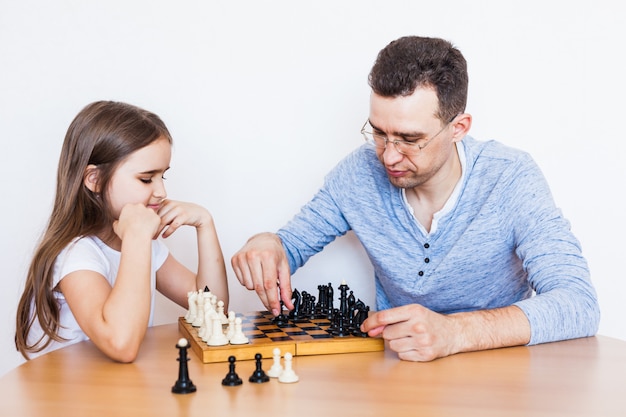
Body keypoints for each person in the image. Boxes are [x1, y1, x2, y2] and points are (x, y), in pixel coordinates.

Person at [231, 36, 600, 362]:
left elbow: (579, 303)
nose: (388, 156)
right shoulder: (358, 174)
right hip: (398, 375)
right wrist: (268, 242)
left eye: (409, 139)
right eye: (378, 133)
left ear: (458, 127)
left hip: (499, 377)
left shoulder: (510, 177)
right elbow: (288, 246)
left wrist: (455, 333)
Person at [15, 101, 229, 362]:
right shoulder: (76, 254)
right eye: (146, 178)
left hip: (114, 393)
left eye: (164, 176)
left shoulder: (143, 245)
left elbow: (213, 309)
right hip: (68, 399)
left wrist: (205, 224)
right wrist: (138, 237)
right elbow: (122, 344)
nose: (162, 192)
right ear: (93, 179)